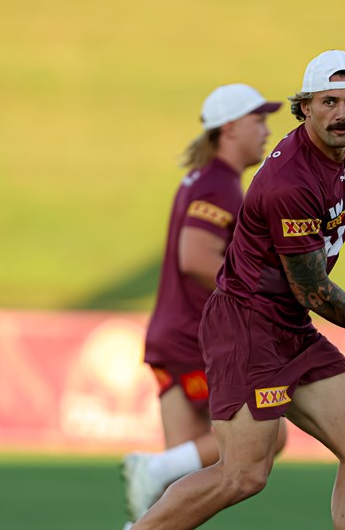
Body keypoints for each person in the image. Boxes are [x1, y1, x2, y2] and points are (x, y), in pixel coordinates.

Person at [131, 49, 345, 530]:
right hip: (249, 326)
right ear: (305, 108)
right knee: (242, 475)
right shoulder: (289, 183)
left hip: (290, 325)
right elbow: (314, 291)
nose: (342, 114)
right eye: (328, 102)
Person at [121, 84, 288, 524]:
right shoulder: (219, 185)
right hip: (196, 339)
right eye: (259, 121)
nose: (267, 130)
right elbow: (194, 257)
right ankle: (152, 469)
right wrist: (256, 295)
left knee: (179, 487)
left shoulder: (204, 179)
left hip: (170, 337)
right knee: (272, 434)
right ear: (230, 128)